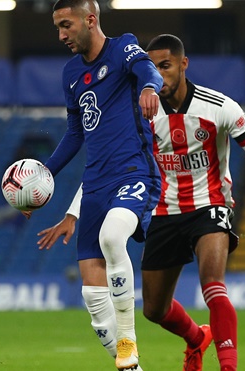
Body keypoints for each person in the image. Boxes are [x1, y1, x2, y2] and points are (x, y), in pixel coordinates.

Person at [39, 34, 245, 371]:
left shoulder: (219, 106)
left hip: (210, 205)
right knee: (154, 310)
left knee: (213, 286)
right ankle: (196, 338)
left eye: (165, 66)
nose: (158, 75)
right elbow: (108, 168)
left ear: (183, 65)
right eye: (153, 68)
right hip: (162, 210)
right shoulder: (140, 113)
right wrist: (73, 212)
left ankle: (228, 367)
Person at [32, 1, 163, 370]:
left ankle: (128, 343)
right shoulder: (71, 73)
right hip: (95, 187)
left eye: (66, 24)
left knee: (111, 238)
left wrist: (150, 89)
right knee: (93, 299)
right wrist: (43, 176)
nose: (60, 34)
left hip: (135, 173)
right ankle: (132, 367)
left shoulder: (123, 47)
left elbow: (147, 69)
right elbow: (75, 135)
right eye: (57, 27)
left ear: (90, 20)